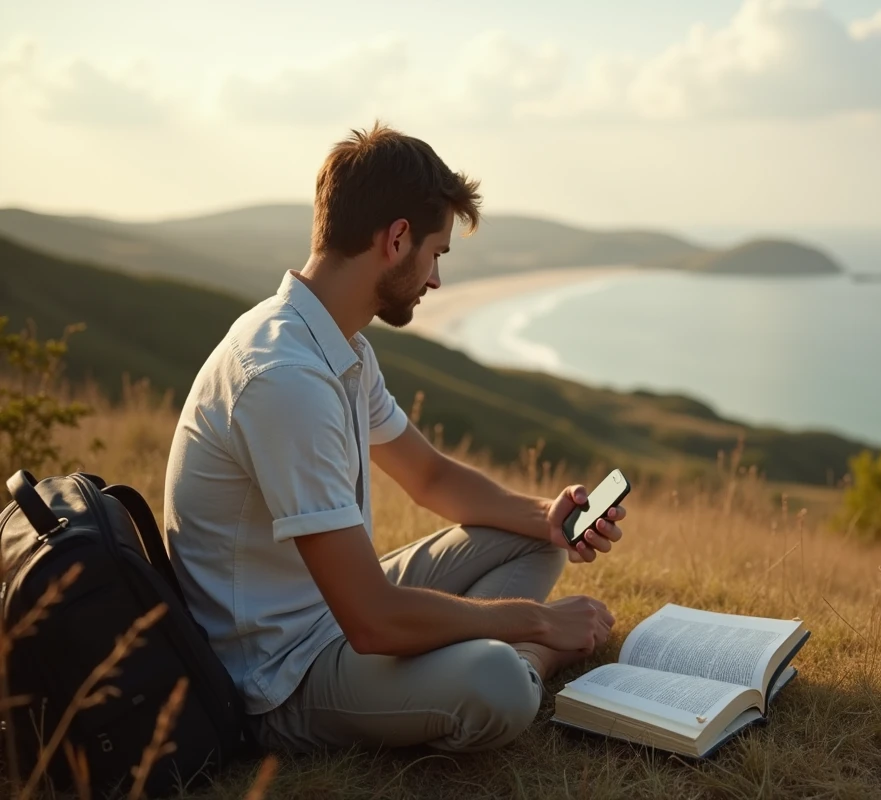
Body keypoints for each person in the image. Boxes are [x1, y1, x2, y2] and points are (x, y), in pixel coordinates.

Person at [162, 121, 623, 756]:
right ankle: (521, 661)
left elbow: (429, 477)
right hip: (279, 677)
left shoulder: (335, 343)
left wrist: (547, 514)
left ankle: (480, 651)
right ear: (397, 239)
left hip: (332, 614)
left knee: (535, 542)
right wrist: (541, 623)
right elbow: (373, 620)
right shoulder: (283, 379)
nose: (435, 280)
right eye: (436, 254)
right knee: (499, 686)